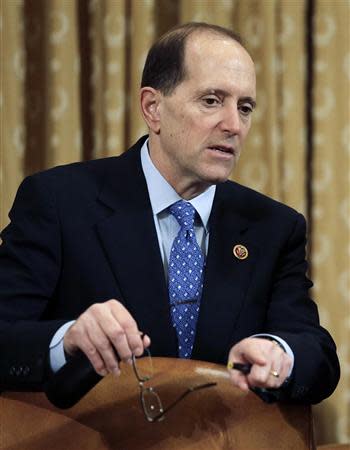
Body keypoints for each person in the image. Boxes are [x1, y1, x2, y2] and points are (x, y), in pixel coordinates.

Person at [0, 22, 339, 403]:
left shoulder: (273, 227)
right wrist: (68, 339)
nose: (233, 126)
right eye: (212, 100)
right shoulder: (60, 202)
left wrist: (279, 354)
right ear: (153, 108)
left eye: (245, 108)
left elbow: (317, 354)